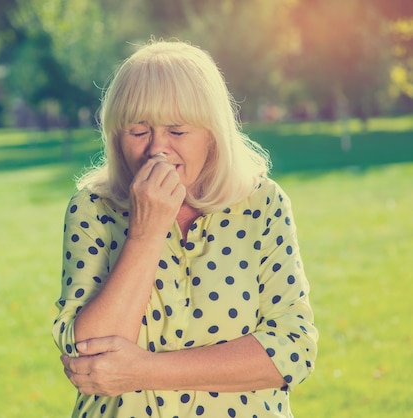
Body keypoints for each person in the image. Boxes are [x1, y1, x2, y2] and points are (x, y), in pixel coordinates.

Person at [52, 39, 318, 418]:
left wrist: (141, 371)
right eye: (138, 131)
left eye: (177, 131)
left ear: (212, 134)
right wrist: (146, 232)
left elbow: (293, 351)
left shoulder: (262, 204)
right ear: (115, 135)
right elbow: (90, 358)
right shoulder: (93, 209)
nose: (157, 149)